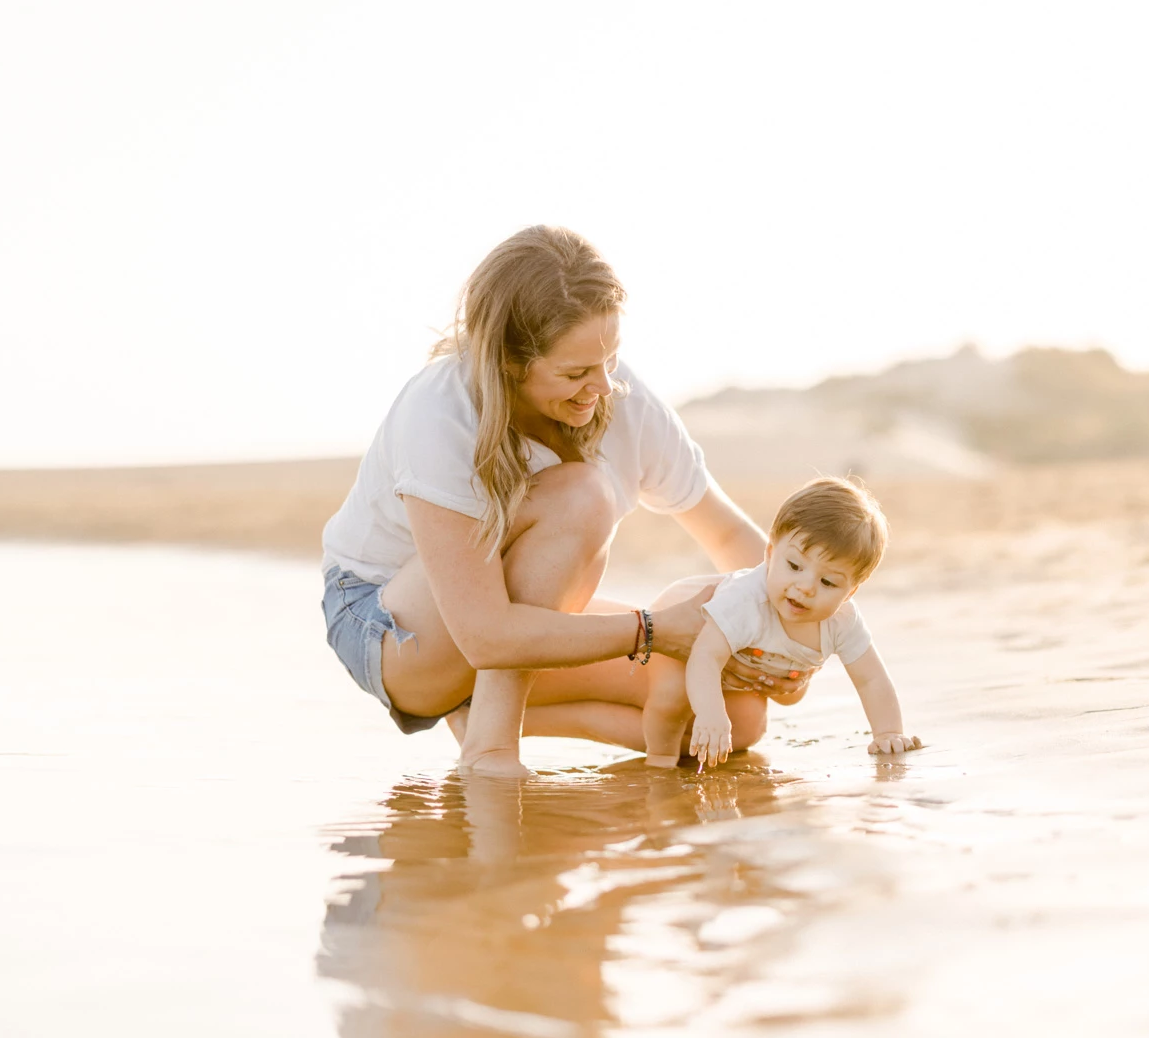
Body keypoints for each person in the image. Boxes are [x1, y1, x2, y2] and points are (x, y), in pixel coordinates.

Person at [319, 226, 801, 776]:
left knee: (737, 717)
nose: (604, 387)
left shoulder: (619, 396)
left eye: (610, 360)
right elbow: (484, 636)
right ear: (509, 362)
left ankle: (476, 714)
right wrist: (656, 630)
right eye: (576, 373)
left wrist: (787, 642)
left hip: (501, 623)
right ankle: (491, 749)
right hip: (390, 628)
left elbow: (726, 533)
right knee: (582, 496)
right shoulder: (439, 411)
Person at [642, 477, 921, 768]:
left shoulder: (843, 620)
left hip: (740, 654)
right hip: (684, 630)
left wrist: (888, 732)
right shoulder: (745, 600)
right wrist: (711, 713)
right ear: (770, 553)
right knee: (671, 696)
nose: (806, 587)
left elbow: (871, 679)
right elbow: (705, 656)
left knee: (758, 716)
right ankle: (660, 760)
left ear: (850, 592)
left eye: (827, 582)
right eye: (794, 566)